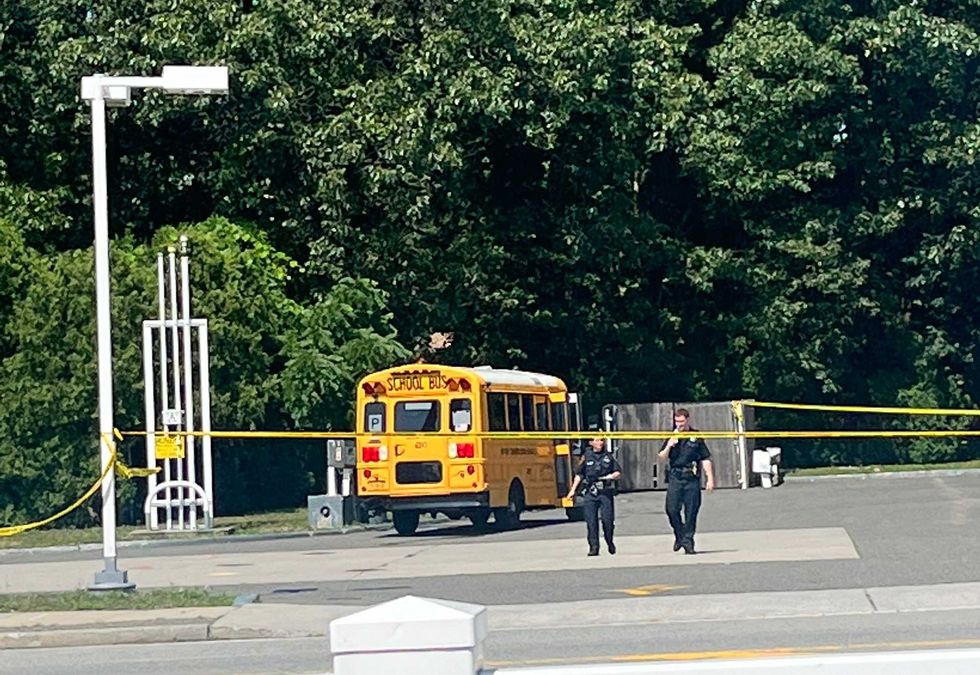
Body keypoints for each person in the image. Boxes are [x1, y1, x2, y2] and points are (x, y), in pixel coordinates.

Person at [658, 408, 715, 554]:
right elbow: (662, 457)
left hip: (691, 477)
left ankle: (688, 542)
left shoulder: (696, 436)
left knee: (691, 511)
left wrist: (710, 478)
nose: (679, 424)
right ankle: (680, 534)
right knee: (671, 510)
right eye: (677, 421)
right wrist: (670, 445)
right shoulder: (672, 436)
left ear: (688, 420)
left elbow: (705, 458)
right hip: (676, 477)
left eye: (682, 421)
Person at [566, 437, 622, 556]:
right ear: (591, 443)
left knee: (607, 521)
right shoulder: (586, 456)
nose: (600, 443)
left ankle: (609, 541)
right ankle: (594, 547)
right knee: (591, 521)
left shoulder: (608, 456)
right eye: (597, 440)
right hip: (590, 492)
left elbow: (618, 472)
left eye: (601, 440)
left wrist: (610, 477)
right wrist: (572, 490)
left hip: (605, 492)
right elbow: (579, 474)